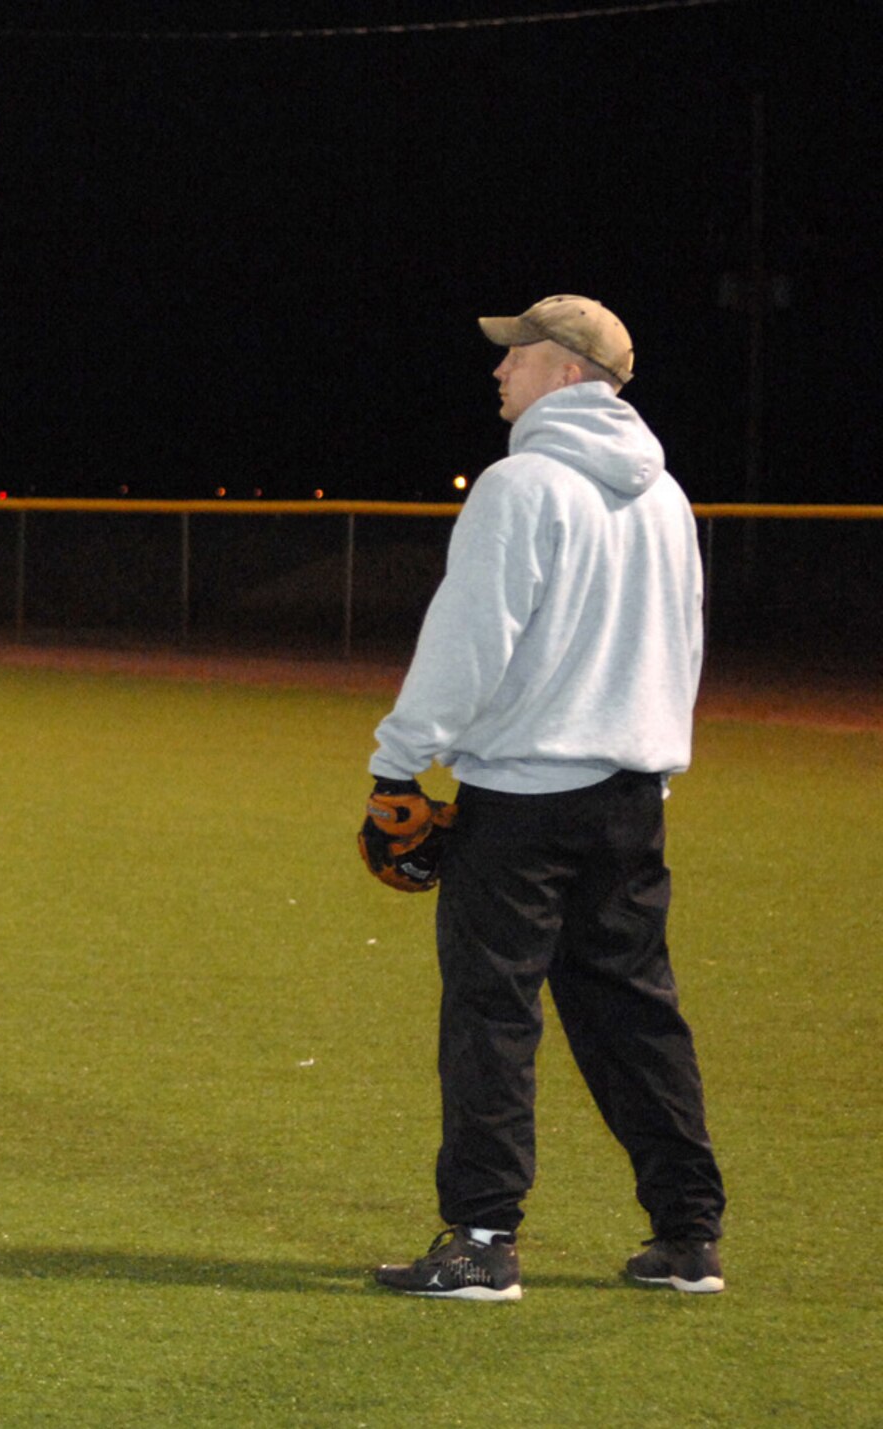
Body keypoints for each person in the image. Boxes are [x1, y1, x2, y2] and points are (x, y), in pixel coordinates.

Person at [365, 296, 725, 1302]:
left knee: (491, 1014)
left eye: (516, 351)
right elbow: (682, 645)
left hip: (520, 801)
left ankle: (481, 1240)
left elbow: (468, 641)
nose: (499, 368)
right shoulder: (663, 497)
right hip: (628, 796)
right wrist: (654, 754)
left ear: (566, 372)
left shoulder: (518, 484)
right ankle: (687, 1235)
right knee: (633, 1013)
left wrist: (399, 766)